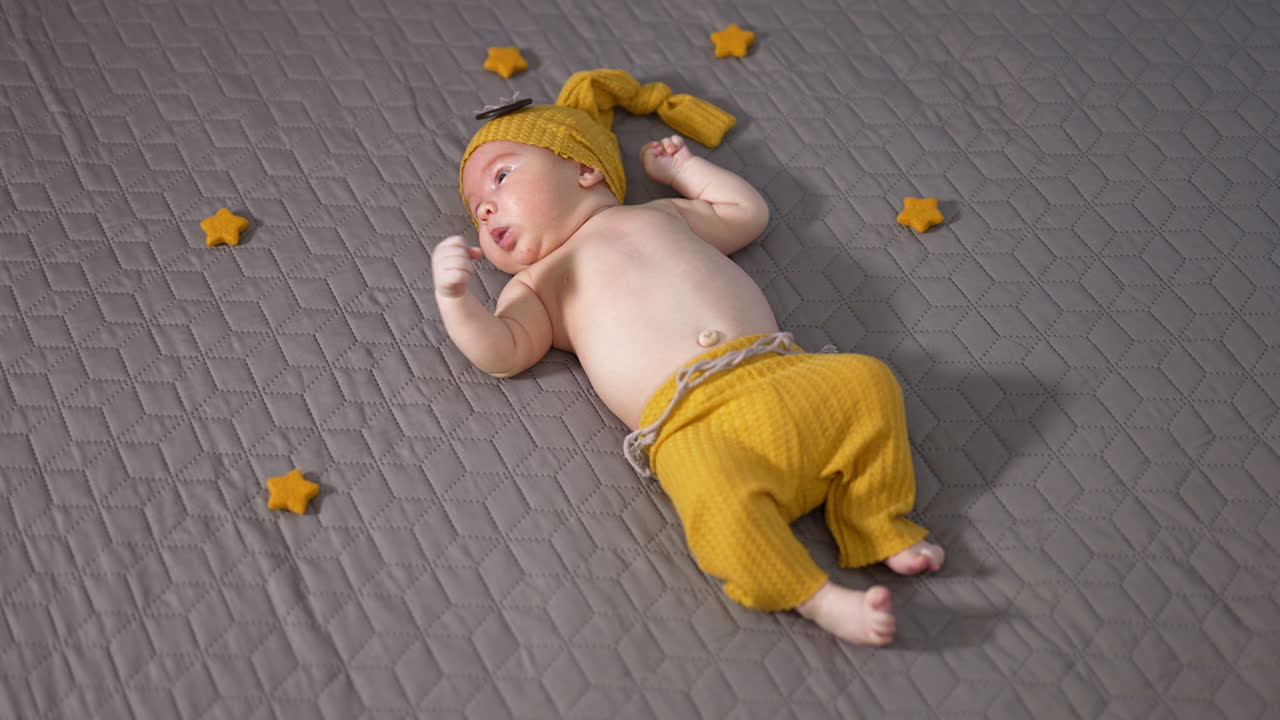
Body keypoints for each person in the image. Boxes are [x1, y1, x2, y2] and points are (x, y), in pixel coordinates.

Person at [432, 69, 944, 646]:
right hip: (688, 424)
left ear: (583, 169)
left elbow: (744, 214)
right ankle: (815, 597)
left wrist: (684, 171)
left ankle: (875, 523)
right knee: (714, 503)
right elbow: (502, 351)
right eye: (477, 210)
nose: (487, 211)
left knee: (866, 380)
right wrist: (456, 300)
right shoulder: (535, 284)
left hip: (778, 371)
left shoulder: (661, 215)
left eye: (501, 178)